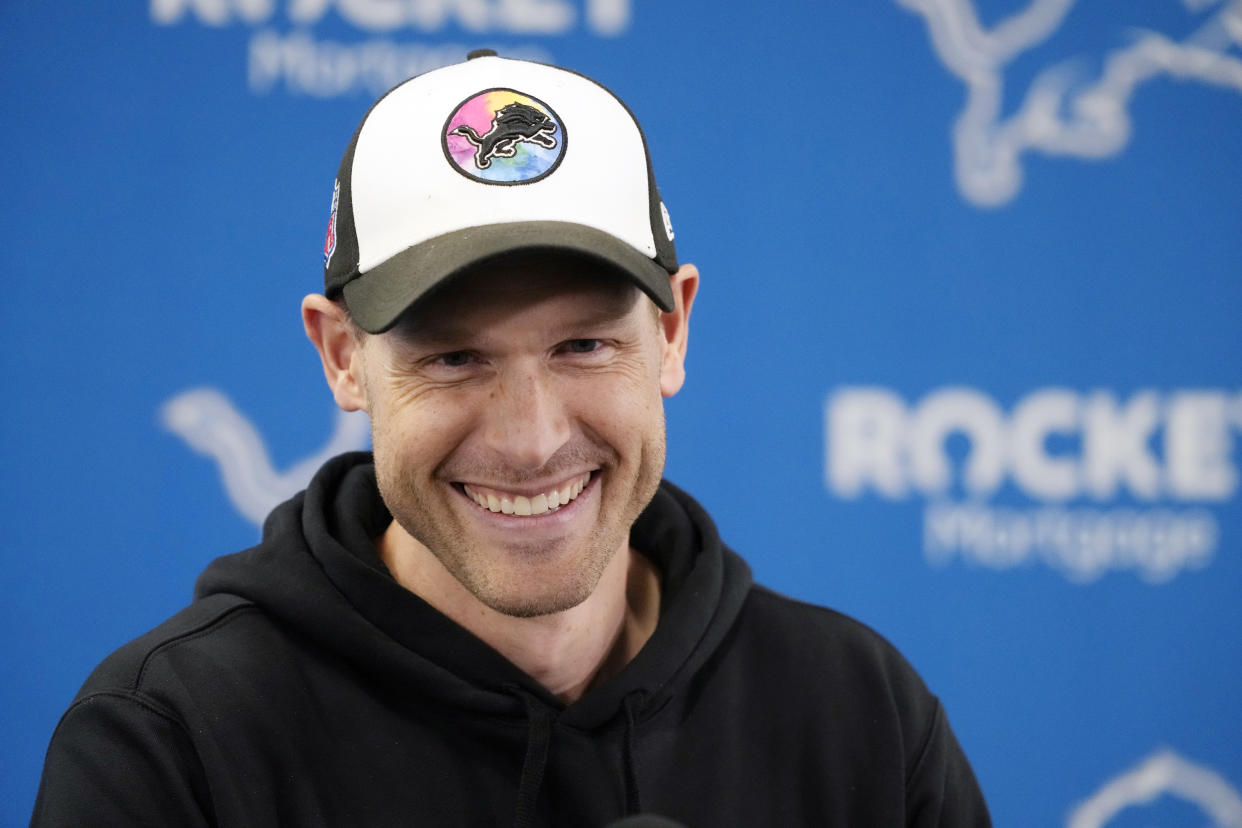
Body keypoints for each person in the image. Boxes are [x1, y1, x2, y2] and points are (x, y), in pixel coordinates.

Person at [32, 51, 991, 827]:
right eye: (453, 359)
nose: (531, 442)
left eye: (583, 345)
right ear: (341, 359)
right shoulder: (172, 741)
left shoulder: (858, 714)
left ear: (672, 332)